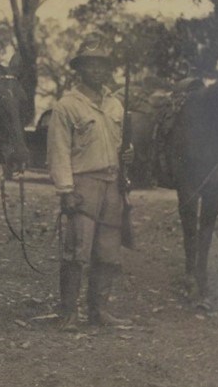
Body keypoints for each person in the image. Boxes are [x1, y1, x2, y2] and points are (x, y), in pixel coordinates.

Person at [47, 32, 134, 331]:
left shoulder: (115, 105)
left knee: (109, 252)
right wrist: (66, 190)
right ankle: (68, 313)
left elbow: (120, 142)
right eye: (90, 64)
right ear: (79, 69)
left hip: (113, 183)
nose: (96, 70)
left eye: (101, 65)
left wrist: (128, 155)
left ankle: (100, 311)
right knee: (76, 252)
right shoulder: (67, 106)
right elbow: (58, 151)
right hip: (83, 185)